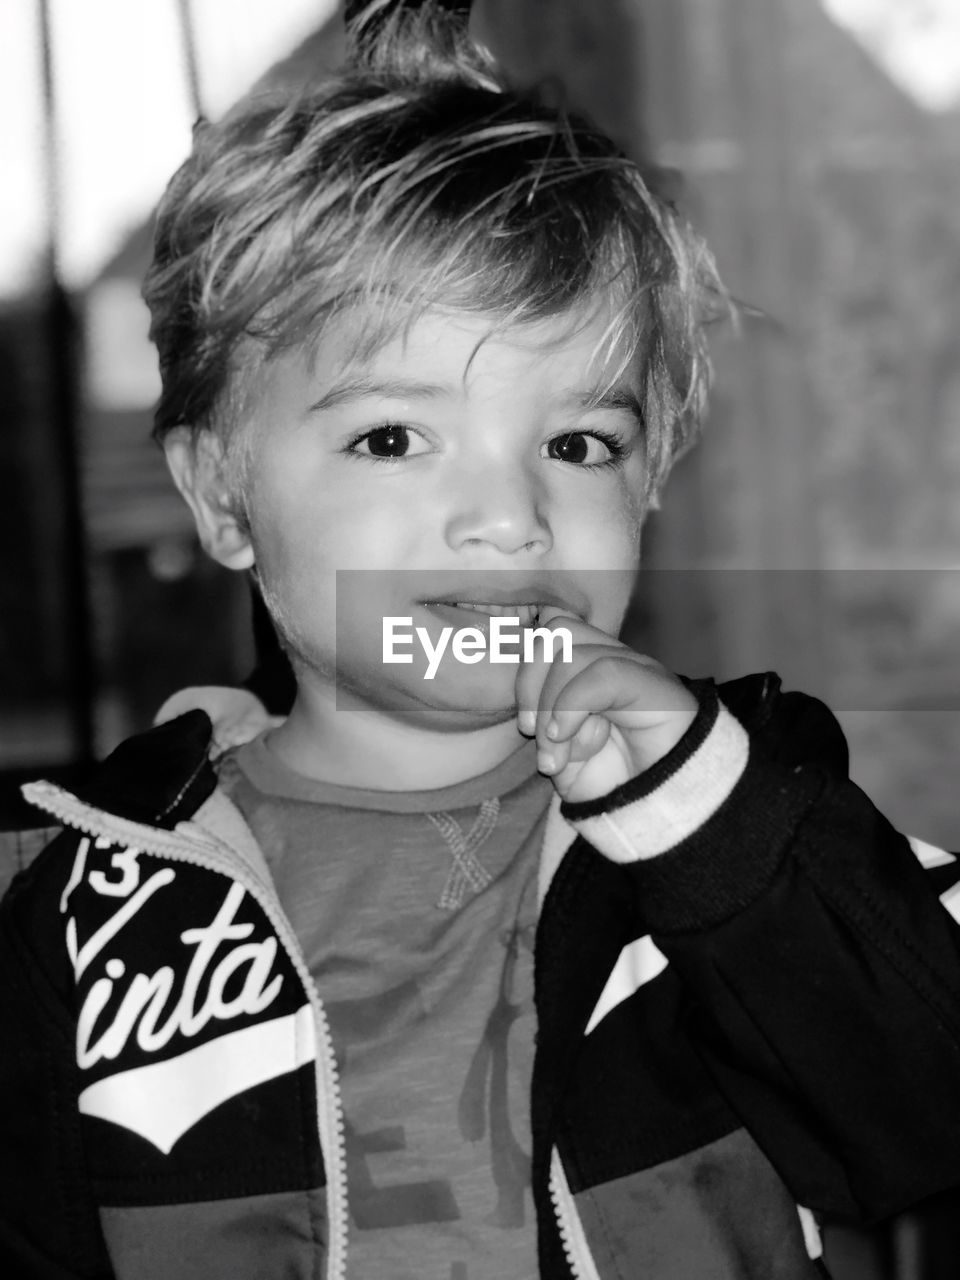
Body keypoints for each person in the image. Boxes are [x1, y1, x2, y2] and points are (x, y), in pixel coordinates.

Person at [3, 4, 960, 1278]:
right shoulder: (75, 902)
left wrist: (709, 822)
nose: (511, 520)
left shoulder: (749, 811)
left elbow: (919, 1124)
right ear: (225, 498)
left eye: (579, 444)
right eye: (393, 437)